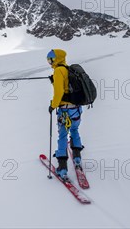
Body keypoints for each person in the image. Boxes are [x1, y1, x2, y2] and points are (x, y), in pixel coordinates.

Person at [47, 49, 84, 180]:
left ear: (57, 58)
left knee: (63, 135)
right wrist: (54, 81)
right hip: (77, 109)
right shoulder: (68, 69)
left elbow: (59, 93)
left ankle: (62, 169)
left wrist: (53, 106)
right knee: (74, 130)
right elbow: (67, 87)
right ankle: (77, 158)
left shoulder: (58, 71)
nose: (50, 61)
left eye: (51, 58)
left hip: (65, 111)